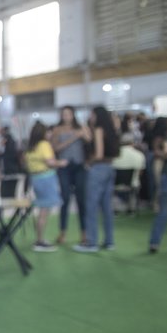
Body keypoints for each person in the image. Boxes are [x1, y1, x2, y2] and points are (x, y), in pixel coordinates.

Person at [74, 106, 121, 252]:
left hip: (98, 169)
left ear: (97, 115)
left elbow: (98, 153)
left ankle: (91, 242)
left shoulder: (99, 129)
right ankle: (109, 241)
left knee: (91, 206)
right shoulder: (112, 130)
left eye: (92, 115)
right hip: (109, 168)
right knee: (106, 207)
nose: (91, 118)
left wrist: (89, 162)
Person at [23, 122, 67, 251]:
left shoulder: (30, 147)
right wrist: (61, 163)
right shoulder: (44, 145)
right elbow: (50, 162)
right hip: (46, 179)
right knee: (44, 211)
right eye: (48, 132)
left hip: (35, 179)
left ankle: (39, 239)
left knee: (42, 209)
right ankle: (40, 241)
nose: (50, 134)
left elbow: (26, 164)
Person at [51, 105, 90, 245]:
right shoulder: (57, 130)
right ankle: (62, 232)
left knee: (82, 200)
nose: (66, 116)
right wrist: (74, 137)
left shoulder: (82, 127)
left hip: (80, 166)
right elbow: (55, 148)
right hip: (64, 167)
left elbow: (90, 141)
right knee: (65, 198)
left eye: (69, 114)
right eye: (64, 114)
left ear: (73, 115)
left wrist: (84, 134)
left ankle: (84, 233)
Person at [147, 117, 167, 253]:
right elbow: (165, 154)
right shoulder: (165, 137)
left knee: (163, 211)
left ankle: (154, 242)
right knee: (163, 211)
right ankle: (154, 242)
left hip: (166, 174)